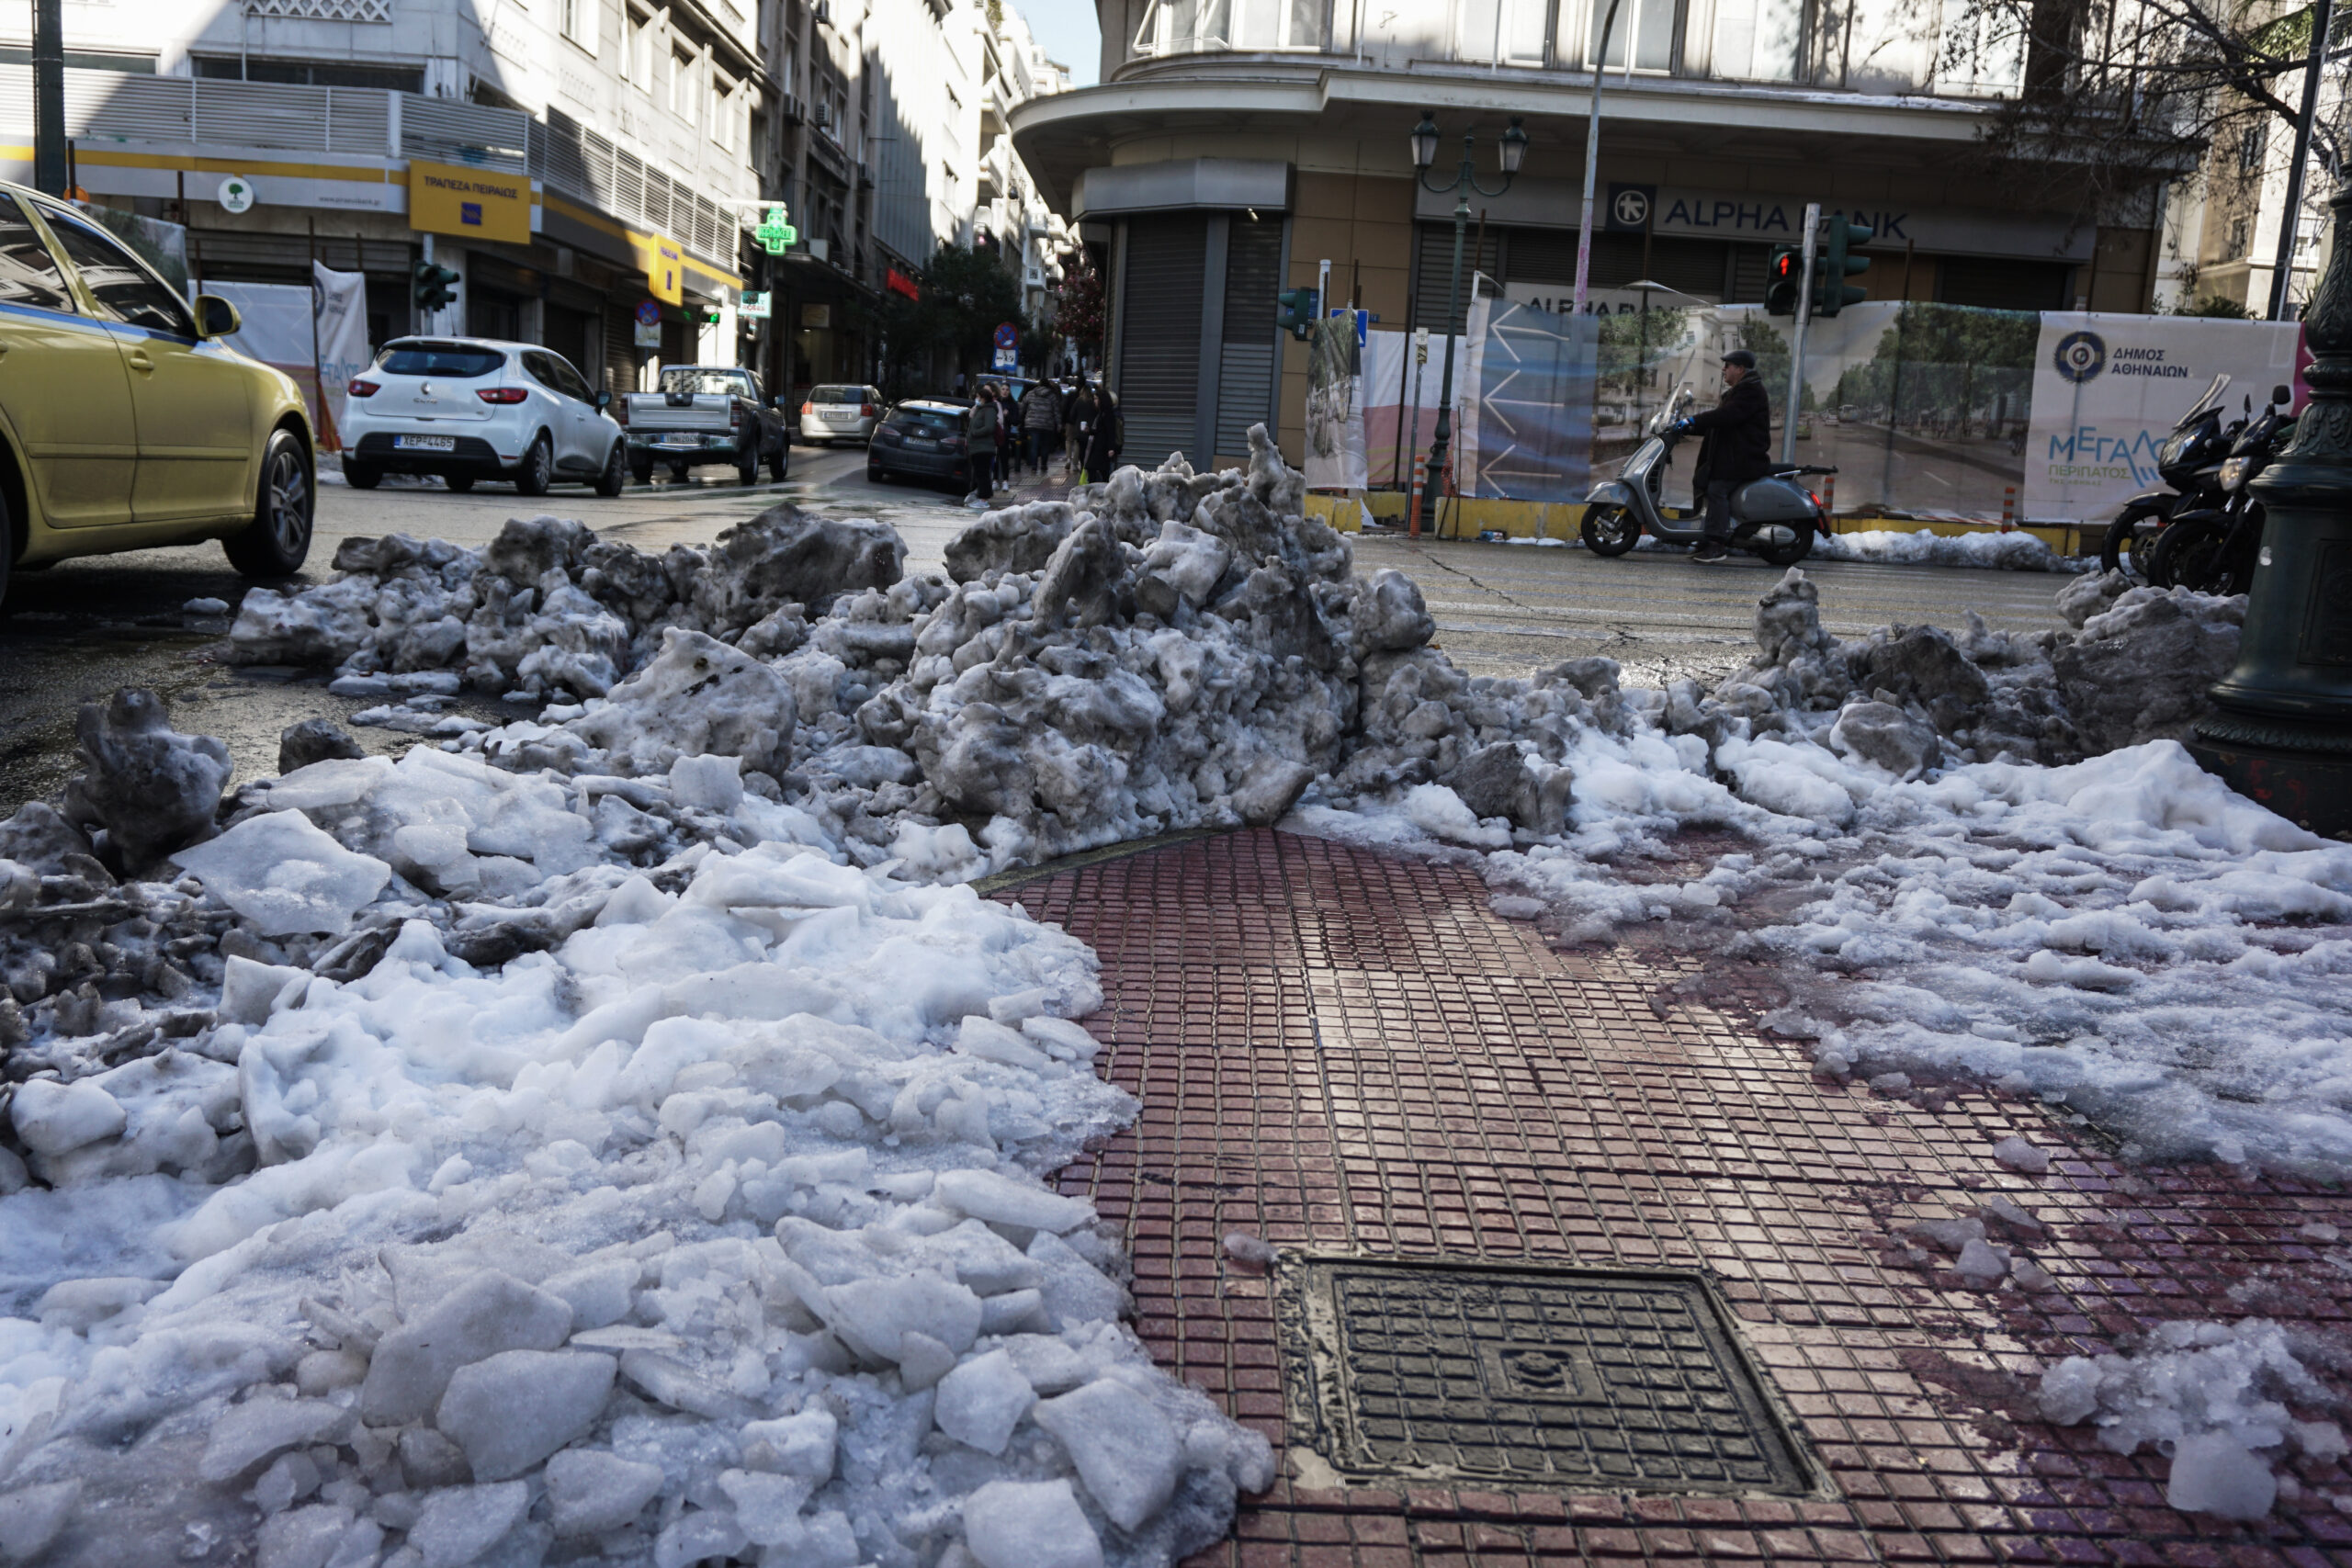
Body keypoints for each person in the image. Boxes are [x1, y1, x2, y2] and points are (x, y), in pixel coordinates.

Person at [1676, 348, 1772, 563]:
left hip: (1744, 458)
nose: (1723, 369)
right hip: (1733, 456)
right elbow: (1719, 424)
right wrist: (1686, 428)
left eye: (1727, 366)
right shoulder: (1741, 390)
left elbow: (1727, 416)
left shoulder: (1750, 391)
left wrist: (1694, 420)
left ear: (1740, 368)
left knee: (1717, 489)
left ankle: (1717, 544)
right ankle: (1704, 537)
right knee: (1704, 483)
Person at [965, 383, 1002, 503]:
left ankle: (983, 500)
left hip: (984, 447)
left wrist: (975, 433)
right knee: (979, 474)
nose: (977, 399)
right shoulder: (980, 409)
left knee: (983, 474)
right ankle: (982, 497)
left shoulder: (990, 410)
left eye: (978, 397)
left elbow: (989, 427)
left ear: (984, 398)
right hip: (977, 447)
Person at [1019, 378, 1061, 476]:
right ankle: (1043, 465)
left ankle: (1034, 466)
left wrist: (1020, 419)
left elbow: (1023, 407)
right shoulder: (1052, 396)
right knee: (1045, 446)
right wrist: (1058, 424)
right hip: (1047, 424)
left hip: (1032, 424)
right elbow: (1056, 411)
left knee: (1034, 446)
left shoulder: (1030, 393)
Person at [1080, 383, 1122, 482]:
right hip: (1099, 446)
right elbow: (1100, 430)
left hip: (1103, 448)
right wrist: (1090, 431)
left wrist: (1111, 448)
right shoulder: (1101, 413)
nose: (1094, 401)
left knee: (1096, 469)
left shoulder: (1108, 414)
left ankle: (1100, 490)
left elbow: (1110, 431)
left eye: (1096, 399)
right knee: (1099, 471)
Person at [1064, 379, 1097, 476]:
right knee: (1088, 449)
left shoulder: (1079, 401)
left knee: (1080, 446)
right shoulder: (1093, 402)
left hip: (1080, 428)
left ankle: (1079, 465)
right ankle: (1084, 466)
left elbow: (1072, 414)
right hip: (1091, 429)